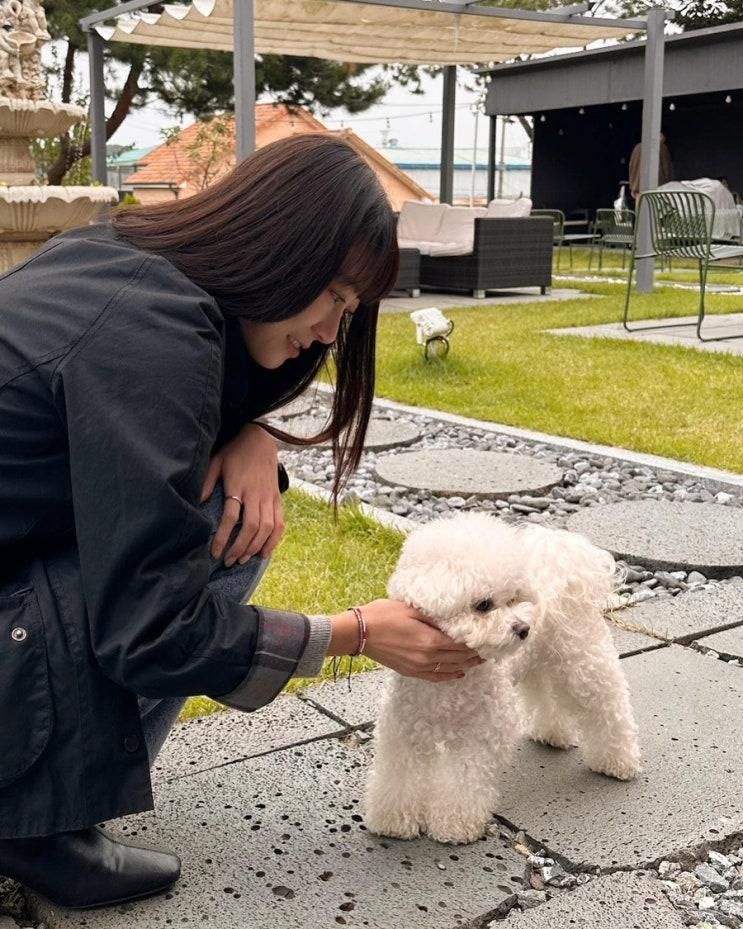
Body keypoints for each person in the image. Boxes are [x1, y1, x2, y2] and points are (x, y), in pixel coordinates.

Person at [0, 133, 482, 909]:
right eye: (334, 296)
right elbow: (150, 628)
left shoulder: (129, 264)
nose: (331, 333)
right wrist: (353, 632)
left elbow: (129, 450)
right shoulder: (151, 334)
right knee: (222, 529)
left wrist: (248, 432)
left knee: (231, 502)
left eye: (349, 312)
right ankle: (35, 825)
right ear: (280, 247)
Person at [628, 131, 674, 201]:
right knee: (654, 209)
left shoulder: (637, 147)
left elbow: (631, 167)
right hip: (657, 187)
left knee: (640, 209)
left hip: (638, 187)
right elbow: (667, 168)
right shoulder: (662, 148)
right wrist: (668, 185)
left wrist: (632, 186)